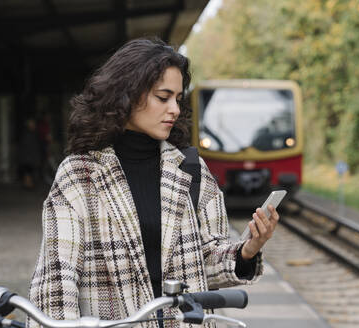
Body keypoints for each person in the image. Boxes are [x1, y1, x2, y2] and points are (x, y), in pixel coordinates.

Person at [28, 37, 279, 328]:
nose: (174, 109)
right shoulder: (79, 175)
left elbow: (207, 259)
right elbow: (58, 281)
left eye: (177, 99)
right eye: (163, 97)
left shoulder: (191, 168)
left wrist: (248, 249)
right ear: (128, 94)